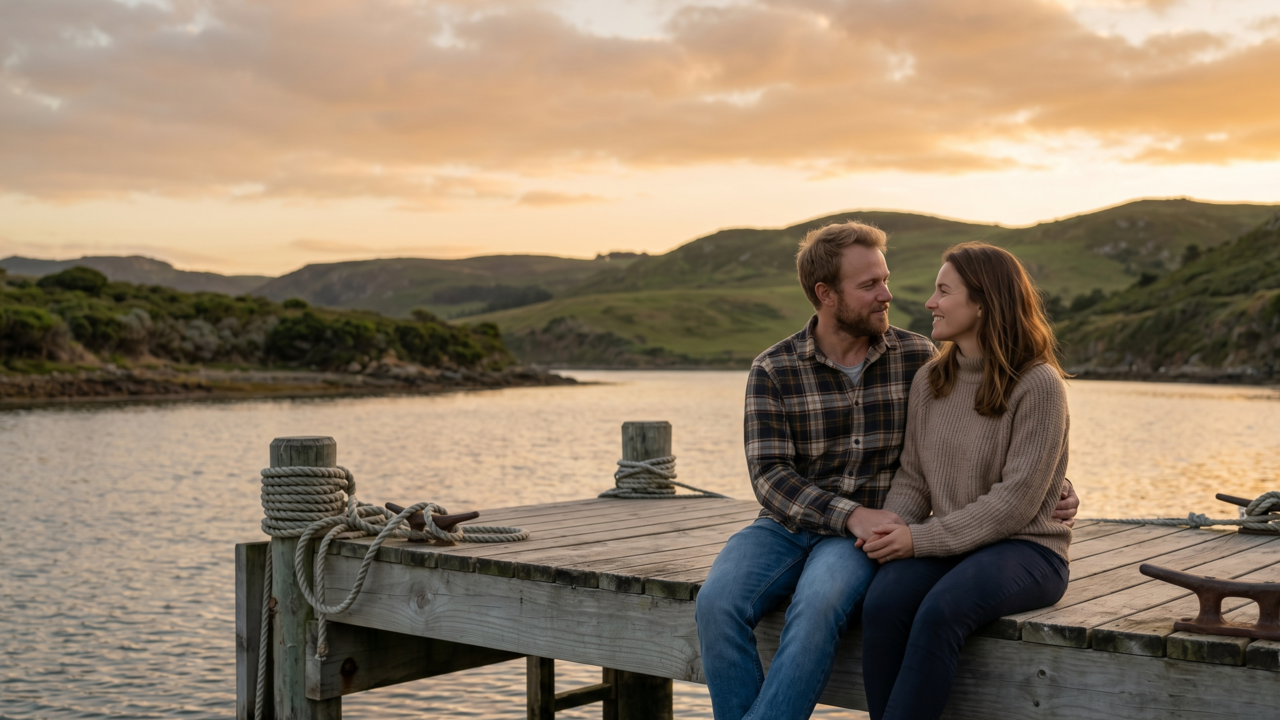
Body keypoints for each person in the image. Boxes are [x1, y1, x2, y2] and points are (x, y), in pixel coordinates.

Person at [694, 222, 1079, 720]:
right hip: (792, 527)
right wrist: (860, 519)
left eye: (886, 279)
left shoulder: (917, 357)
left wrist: (1058, 487)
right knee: (715, 603)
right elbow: (771, 476)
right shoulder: (775, 369)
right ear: (826, 294)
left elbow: (1017, 469)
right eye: (870, 285)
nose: (889, 295)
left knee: (820, 606)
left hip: (885, 532)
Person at [858, 242, 1073, 720]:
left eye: (943, 291)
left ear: (983, 302)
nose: (930, 303)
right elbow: (913, 478)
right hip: (956, 545)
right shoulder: (931, 379)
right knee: (884, 602)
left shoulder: (1039, 384)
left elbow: (1016, 502)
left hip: (1029, 550)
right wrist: (890, 532)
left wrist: (920, 538)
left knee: (941, 611)